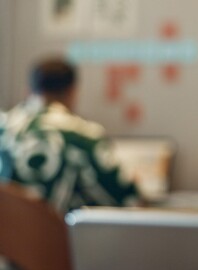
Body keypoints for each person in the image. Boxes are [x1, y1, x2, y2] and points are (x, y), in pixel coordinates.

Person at [0, 55, 139, 214]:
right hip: (61, 237)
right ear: (73, 92)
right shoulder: (84, 135)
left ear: (29, 90)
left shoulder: (3, 129)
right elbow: (126, 198)